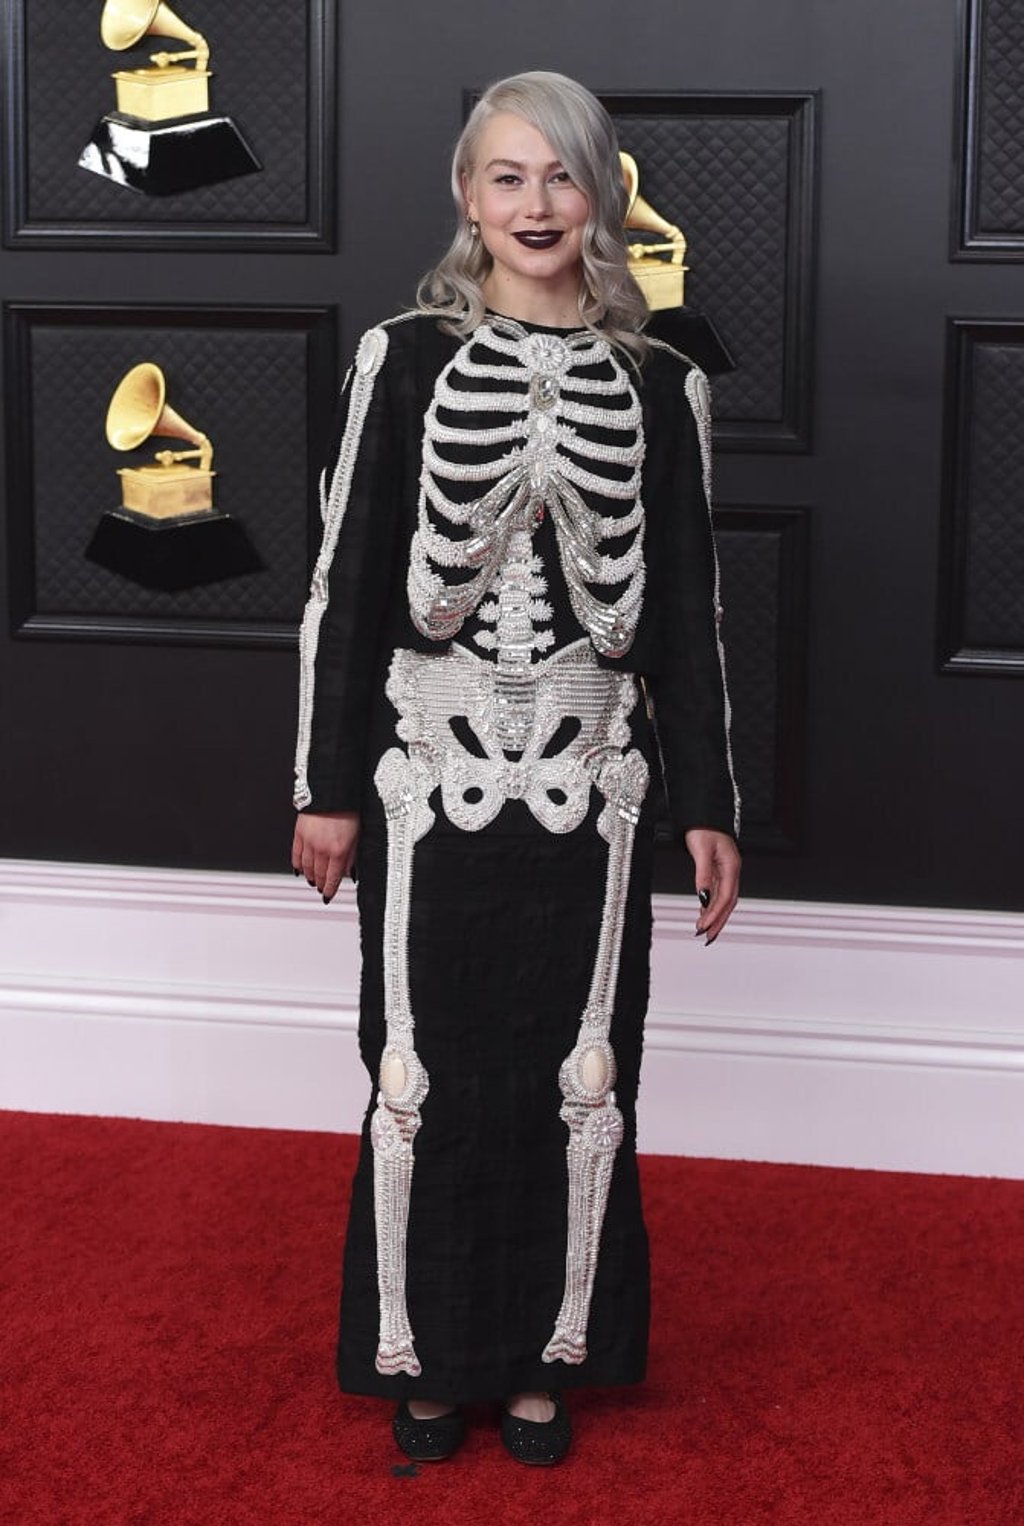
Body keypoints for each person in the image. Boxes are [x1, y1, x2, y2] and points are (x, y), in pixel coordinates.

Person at [291, 69, 741, 1467]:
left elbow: (686, 611)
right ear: (466, 195)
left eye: (562, 176)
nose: (535, 203)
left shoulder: (664, 380)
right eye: (507, 175)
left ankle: (550, 1359)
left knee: (582, 1076)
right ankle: (424, 1361)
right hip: (430, 777)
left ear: (600, 195)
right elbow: (348, 580)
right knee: (421, 1071)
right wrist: (324, 782)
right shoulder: (406, 359)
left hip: (595, 792)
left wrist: (710, 800)